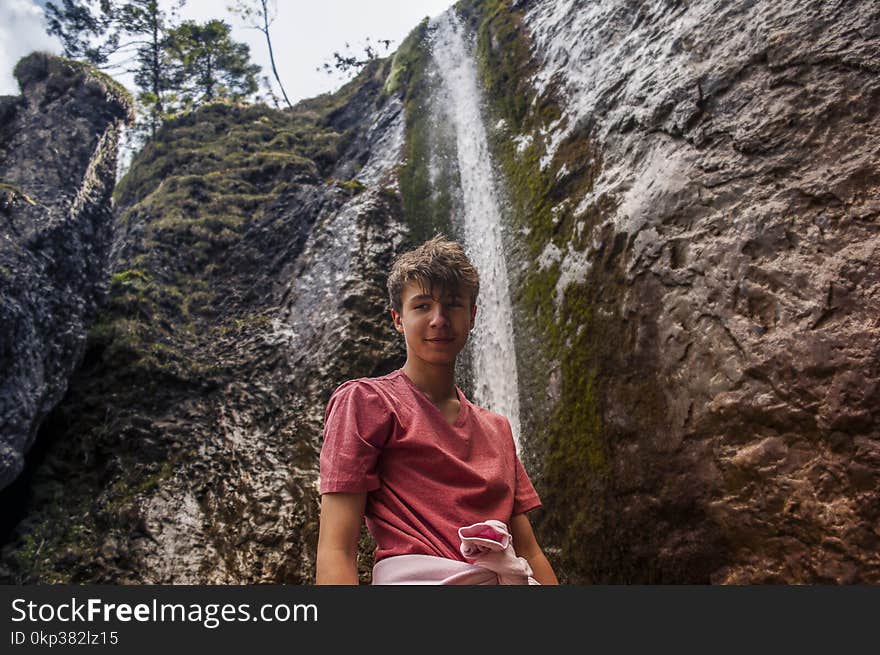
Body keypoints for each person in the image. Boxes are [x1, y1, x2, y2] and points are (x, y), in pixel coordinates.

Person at [315, 234, 559, 585]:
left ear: (472, 316)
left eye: (453, 304)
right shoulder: (367, 403)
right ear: (398, 319)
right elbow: (337, 549)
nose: (439, 319)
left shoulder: (497, 429)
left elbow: (530, 552)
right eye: (423, 305)